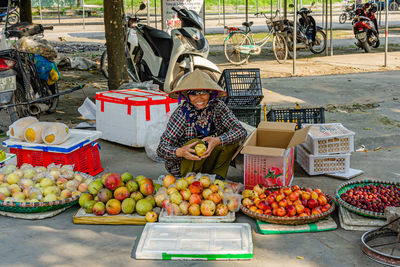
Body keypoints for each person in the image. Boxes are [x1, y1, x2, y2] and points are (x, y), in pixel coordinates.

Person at [157, 69, 247, 179]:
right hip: (186, 166)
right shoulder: (181, 114)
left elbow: (240, 131)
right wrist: (180, 152)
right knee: (196, 143)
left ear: (210, 94)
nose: (199, 98)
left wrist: (217, 141)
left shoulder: (218, 106)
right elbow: (161, 149)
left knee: (231, 140)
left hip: (208, 160)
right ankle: (189, 180)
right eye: (194, 94)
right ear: (187, 96)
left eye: (203, 93)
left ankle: (217, 178)